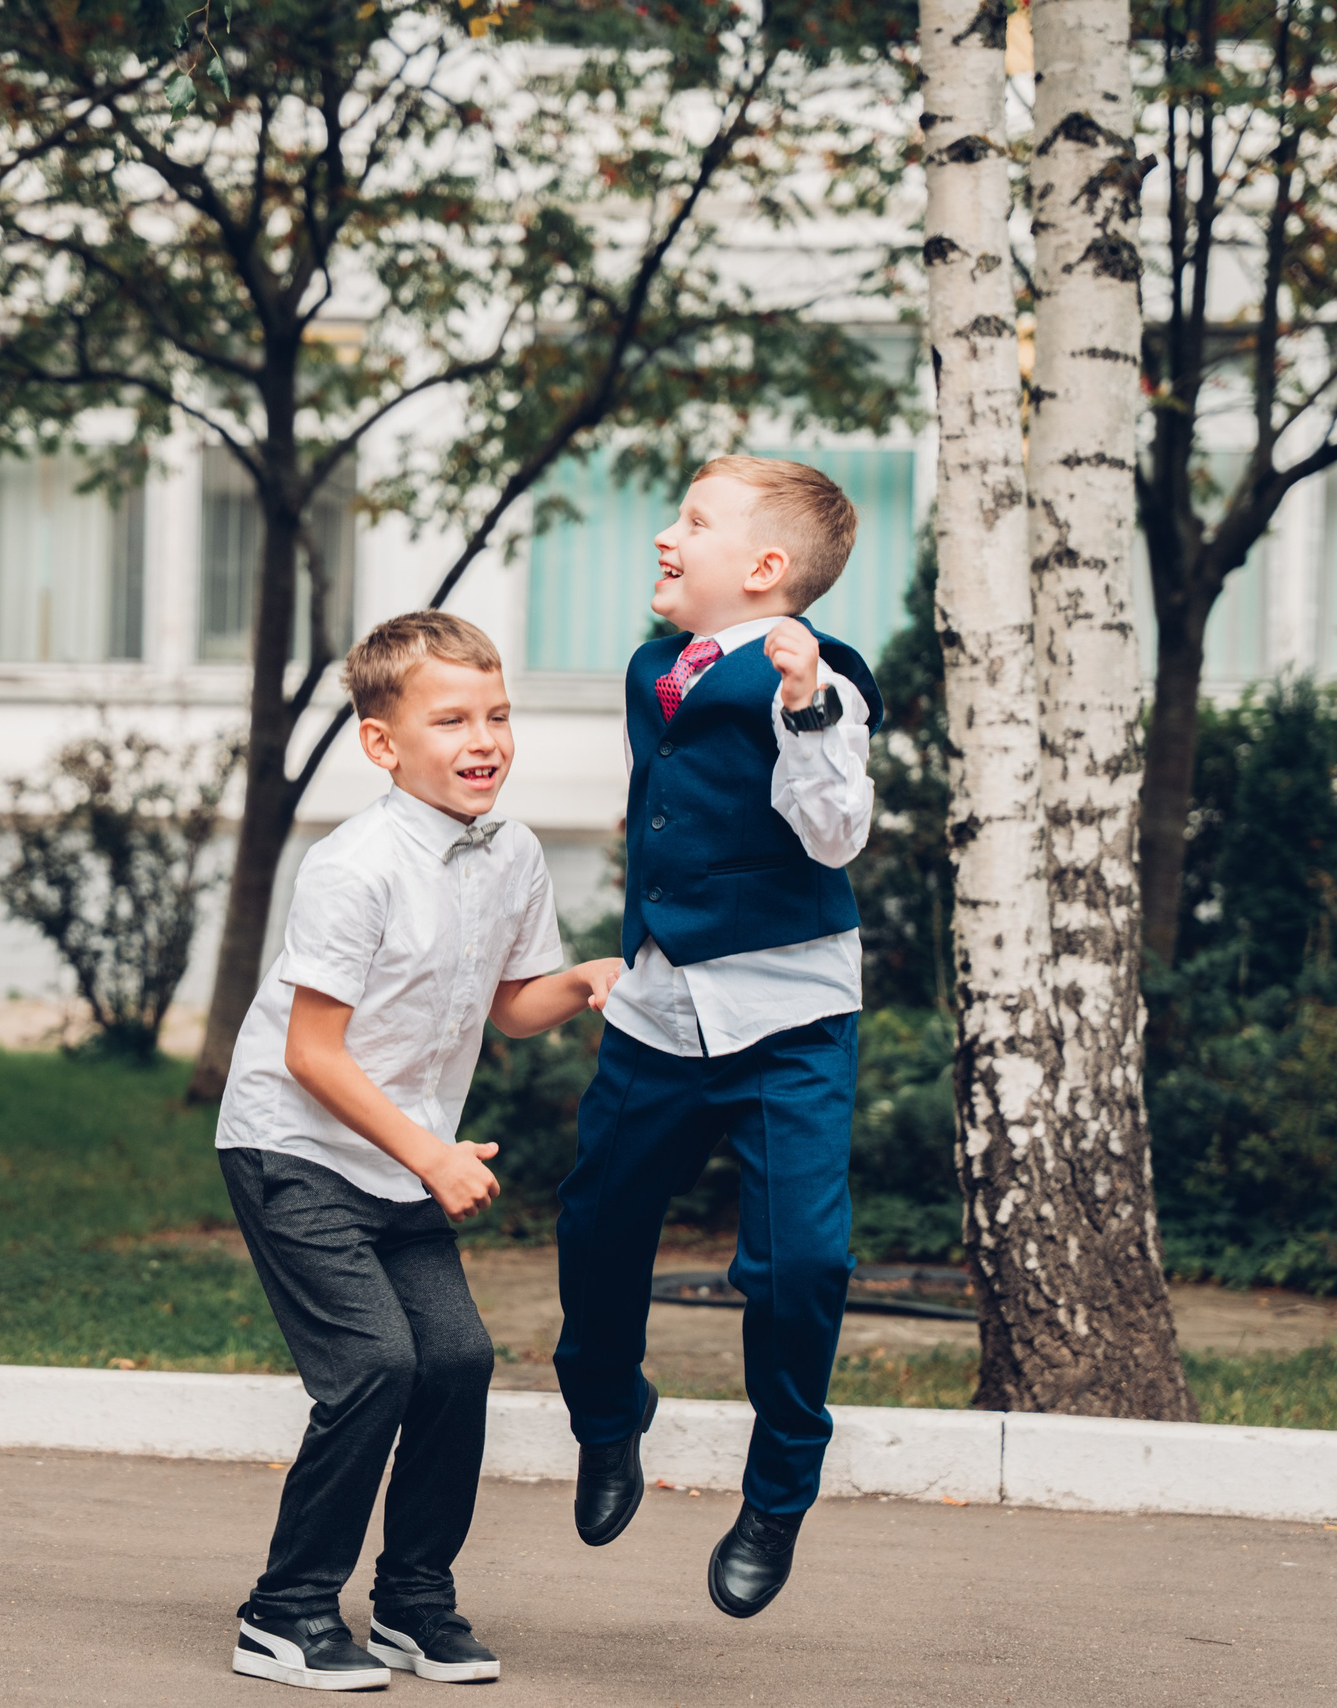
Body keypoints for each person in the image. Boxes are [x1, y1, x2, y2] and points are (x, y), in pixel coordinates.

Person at [216, 610, 626, 1691]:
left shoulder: (513, 850)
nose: (483, 737)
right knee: (373, 1368)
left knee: (453, 1361)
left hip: (397, 1154)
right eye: (450, 719)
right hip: (294, 1145)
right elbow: (311, 1052)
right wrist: (432, 1152)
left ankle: (412, 1601)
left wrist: (586, 978)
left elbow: (508, 1007)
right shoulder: (354, 867)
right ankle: (285, 1609)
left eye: (496, 714)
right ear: (382, 743)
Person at [554, 455, 878, 1619]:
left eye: (690, 520)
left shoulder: (824, 678)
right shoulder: (655, 666)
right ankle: (607, 1410)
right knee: (596, 1223)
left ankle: (777, 1494)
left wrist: (804, 707)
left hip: (787, 1015)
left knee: (798, 1265)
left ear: (764, 570)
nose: (661, 534)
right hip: (658, 1002)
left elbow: (835, 834)